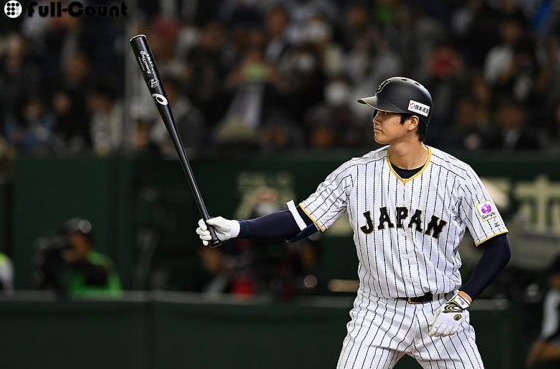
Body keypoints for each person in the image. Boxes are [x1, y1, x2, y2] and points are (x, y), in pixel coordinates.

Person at [196, 76, 512, 367]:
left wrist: (462, 301)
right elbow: (301, 219)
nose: (376, 118)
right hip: (377, 311)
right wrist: (239, 228)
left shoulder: (457, 176)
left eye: (386, 113)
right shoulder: (354, 173)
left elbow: (499, 247)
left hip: (441, 307)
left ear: (412, 122)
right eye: (377, 111)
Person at [34, 217, 122, 297]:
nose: (74, 247)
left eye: (79, 242)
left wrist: (78, 262)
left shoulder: (100, 263)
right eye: (70, 243)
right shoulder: (62, 265)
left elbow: (103, 282)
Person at [526, 255, 560, 367]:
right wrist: (541, 344)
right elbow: (551, 330)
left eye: (554, 276)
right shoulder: (553, 295)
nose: (551, 280)